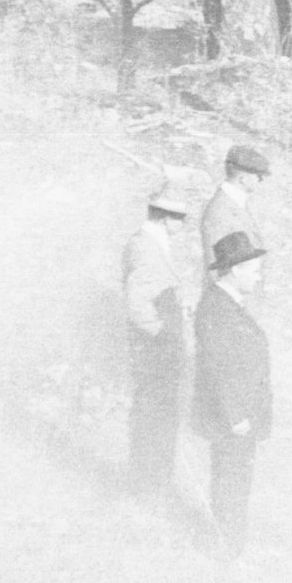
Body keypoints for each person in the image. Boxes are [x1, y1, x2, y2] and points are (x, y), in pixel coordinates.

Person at [193, 230, 272, 558]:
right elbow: (220, 368)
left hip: (240, 416)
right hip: (233, 420)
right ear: (236, 270)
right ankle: (226, 552)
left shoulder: (226, 304)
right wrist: (236, 416)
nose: (258, 277)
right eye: (254, 270)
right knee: (230, 483)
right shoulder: (217, 309)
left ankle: (229, 547)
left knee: (236, 482)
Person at [122, 178, 195, 496]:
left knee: (160, 415)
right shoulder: (143, 246)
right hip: (153, 349)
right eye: (180, 217)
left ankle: (154, 484)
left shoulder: (154, 243)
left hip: (159, 347)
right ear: (166, 217)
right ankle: (146, 485)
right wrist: (164, 333)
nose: (183, 223)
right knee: (152, 416)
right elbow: (137, 304)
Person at [202, 144, 270, 282]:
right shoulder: (221, 210)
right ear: (243, 179)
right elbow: (217, 266)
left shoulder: (235, 203)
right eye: (259, 177)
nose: (261, 181)